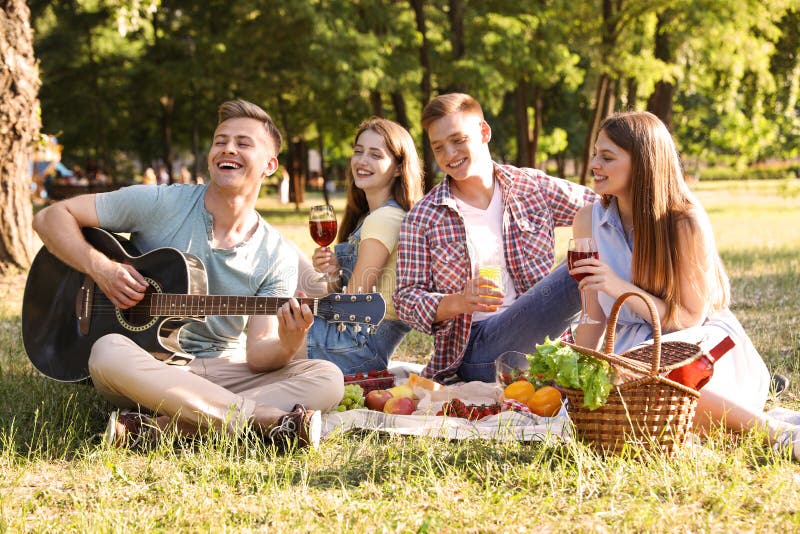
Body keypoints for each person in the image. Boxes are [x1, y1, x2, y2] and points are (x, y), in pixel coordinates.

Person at [32, 99, 344, 449]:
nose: (228, 149)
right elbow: (50, 217)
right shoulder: (162, 203)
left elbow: (259, 356)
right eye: (220, 140)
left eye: (243, 143)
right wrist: (101, 268)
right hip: (146, 368)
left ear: (270, 165)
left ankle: (166, 428)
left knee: (327, 378)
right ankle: (265, 421)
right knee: (107, 351)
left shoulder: (275, 254)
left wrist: (290, 341)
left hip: (220, 372)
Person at [570, 110, 799, 461]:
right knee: (621, 395)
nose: (594, 165)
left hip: (696, 346)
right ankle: (751, 421)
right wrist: (576, 370)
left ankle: (777, 433)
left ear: (643, 163)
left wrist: (618, 287)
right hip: (632, 352)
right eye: (594, 154)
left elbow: (689, 318)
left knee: (662, 382)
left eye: (607, 156)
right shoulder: (587, 220)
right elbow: (593, 319)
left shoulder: (684, 221)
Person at [394, 93, 597, 383]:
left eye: (458, 140)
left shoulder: (530, 186)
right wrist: (459, 301)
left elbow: (600, 208)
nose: (449, 154)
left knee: (605, 237)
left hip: (539, 336)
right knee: (580, 265)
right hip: (478, 351)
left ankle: (634, 331)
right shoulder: (424, 216)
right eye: (438, 148)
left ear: (484, 132)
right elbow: (405, 299)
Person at [304, 117, 424, 374]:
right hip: (359, 345)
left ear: (397, 168)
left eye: (375, 155)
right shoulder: (368, 218)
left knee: (276, 323)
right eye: (358, 152)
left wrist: (307, 314)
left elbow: (353, 305)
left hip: (356, 347)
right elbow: (346, 292)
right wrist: (334, 271)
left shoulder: (384, 218)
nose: (362, 161)